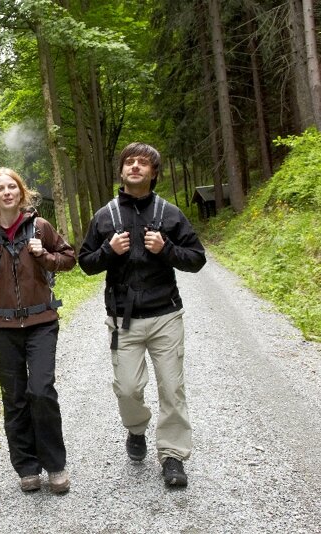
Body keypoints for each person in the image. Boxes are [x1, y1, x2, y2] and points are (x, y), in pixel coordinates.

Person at [77, 142, 206, 487]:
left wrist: (167, 250)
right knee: (128, 388)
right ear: (120, 172)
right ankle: (136, 429)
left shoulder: (170, 213)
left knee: (172, 388)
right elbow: (85, 263)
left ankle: (173, 456)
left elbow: (196, 258)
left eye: (142, 163)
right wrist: (108, 250)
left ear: (153, 172)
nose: (135, 167)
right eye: (129, 162)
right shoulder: (105, 216)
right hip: (123, 319)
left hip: (165, 315)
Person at [0, 167, 76, 493]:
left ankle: (55, 465)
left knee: (41, 391)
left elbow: (69, 258)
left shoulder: (40, 226)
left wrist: (44, 255)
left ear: (21, 191)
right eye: (0, 188)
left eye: (12, 186)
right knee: (14, 399)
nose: (7, 192)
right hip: (2, 327)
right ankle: (27, 466)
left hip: (41, 322)